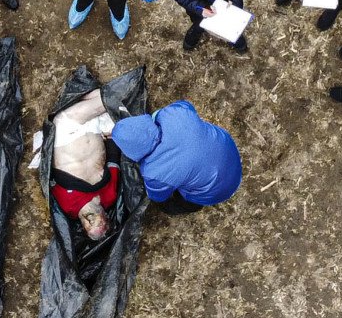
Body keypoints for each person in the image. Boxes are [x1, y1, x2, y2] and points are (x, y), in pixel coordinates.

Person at [111, 101, 241, 214]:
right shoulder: (175, 112)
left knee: (166, 205)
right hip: (229, 151)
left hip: (220, 190)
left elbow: (158, 197)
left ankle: (190, 206)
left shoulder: (154, 173)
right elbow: (185, 105)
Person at [51, 160, 120, 241]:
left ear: (83, 228)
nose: (92, 222)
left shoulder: (67, 208)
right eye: (100, 224)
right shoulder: (109, 196)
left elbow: (50, 177)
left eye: (89, 228)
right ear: (106, 217)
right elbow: (113, 160)